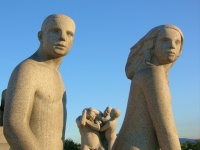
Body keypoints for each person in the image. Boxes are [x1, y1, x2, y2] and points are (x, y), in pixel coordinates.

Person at [3, 14, 75, 150]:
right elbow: (14, 125)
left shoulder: (58, 76)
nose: (63, 37)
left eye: (69, 34)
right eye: (55, 31)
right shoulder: (28, 69)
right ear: (41, 36)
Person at [112, 25, 183, 150]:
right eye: (165, 40)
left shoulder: (150, 73)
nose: (172, 46)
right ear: (152, 44)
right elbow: (167, 131)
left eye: (177, 42)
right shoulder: (152, 74)